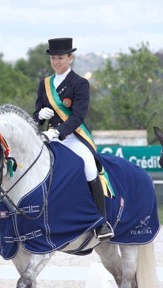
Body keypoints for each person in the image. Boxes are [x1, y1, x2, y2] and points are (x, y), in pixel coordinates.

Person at [33, 37, 114, 240]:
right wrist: (39, 116)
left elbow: (78, 116)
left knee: (89, 166)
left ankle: (101, 222)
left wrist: (57, 132)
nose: (56, 62)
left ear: (70, 58)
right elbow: (35, 116)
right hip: (47, 137)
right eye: (53, 58)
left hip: (73, 137)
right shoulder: (44, 85)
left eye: (60, 57)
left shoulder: (80, 83)